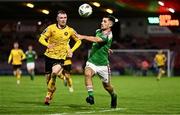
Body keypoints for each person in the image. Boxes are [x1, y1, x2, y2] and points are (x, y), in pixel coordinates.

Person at [38, 10, 81, 105]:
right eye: (61, 18)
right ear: (57, 19)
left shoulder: (70, 30)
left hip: (61, 58)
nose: (63, 20)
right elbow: (41, 38)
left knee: (54, 73)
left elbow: (78, 41)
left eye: (65, 18)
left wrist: (71, 50)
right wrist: (47, 44)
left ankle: (47, 96)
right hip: (49, 56)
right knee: (48, 80)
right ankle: (51, 91)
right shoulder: (50, 28)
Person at [76, 15, 117, 108]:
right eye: (102, 21)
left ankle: (114, 95)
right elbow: (99, 42)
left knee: (107, 86)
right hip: (92, 61)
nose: (102, 23)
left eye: (105, 21)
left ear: (110, 24)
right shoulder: (98, 31)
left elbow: (97, 39)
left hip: (103, 65)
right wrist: (107, 48)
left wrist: (83, 36)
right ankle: (91, 97)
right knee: (87, 74)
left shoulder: (109, 34)